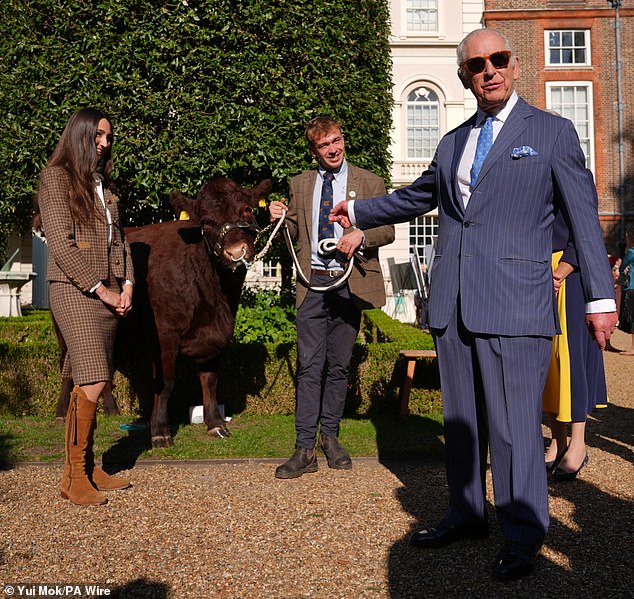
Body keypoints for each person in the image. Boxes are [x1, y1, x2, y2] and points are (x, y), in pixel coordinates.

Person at [330, 28, 617, 581]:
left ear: (513, 66)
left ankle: (523, 532)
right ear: (464, 76)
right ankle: (466, 513)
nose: (489, 70)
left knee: (512, 429)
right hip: (454, 305)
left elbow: (584, 218)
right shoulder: (454, 141)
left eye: (498, 59)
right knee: (461, 424)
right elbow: (418, 195)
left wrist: (600, 299)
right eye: (477, 64)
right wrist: (360, 213)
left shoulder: (553, 133)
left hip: (515, 304)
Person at [269, 116, 394, 479]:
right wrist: (278, 217)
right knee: (310, 366)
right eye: (324, 146)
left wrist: (360, 236)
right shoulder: (300, 184)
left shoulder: (369, 181)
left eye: (336, 141)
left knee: (339, 366)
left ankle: (331, 438)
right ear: (314, 151)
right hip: (312, 284)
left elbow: (387, 228)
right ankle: (304, 448)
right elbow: (291, 233)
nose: (333, 149)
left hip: (349, 283)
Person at [35, 108, 135, 506]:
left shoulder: (103, 186)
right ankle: (73, 476)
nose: (105, 144)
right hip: (74, 289)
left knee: (92, 378)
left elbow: (121, 242)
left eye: (108, 137)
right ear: (79, 134)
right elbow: (59, 242)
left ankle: (90, 466)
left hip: (109, 290)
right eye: (99, 135)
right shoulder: (55, 178)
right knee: (93, 379)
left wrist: (127, 285)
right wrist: (103, 290)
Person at [542, 212, 607, 481]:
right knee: (546, 362)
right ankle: (559, 439)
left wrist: (559, 273)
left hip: (568, 276)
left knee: (569, 359)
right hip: (537, 270)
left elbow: (586, 231)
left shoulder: (575, 173)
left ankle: (578, 442)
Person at [616, 227, 634, 355]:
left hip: (632, 286)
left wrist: (619, 266)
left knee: (632, 318)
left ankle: (633, 348)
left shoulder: (631, 252)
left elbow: (622, 267)